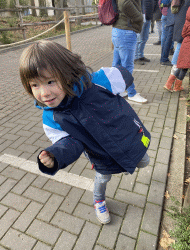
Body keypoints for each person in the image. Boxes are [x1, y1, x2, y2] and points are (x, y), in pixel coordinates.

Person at [19, 40, 151, 225]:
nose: (44, 93)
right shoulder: (52, 118)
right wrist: (56, 155)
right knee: (103, 177)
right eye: (35, 85)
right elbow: (67, 143)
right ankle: (99, 200)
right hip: (100, 154)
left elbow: (123, 76)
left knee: (144, 160)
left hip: (128, 138)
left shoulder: (96, 82)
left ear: (66, 74)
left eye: (50, 81)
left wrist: (121, 75)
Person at [111, 0, 148, 103]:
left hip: (118, 30)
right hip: (126, 32)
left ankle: (117, 91)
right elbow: (124, 3)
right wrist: (139, 17)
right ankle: (131, 93)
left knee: (117, 65)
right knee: (127, 66)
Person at [163, 0, 190, 91]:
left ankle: (171, 83)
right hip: (184, 24)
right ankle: (171, 83)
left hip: (180, 21)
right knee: (181, 58)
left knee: (180, 53)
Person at [134, 0, 154, 65]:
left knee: (144, 38)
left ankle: (140, 55)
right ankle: (135, 57)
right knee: (139, 39)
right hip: (142, 17)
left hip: (148, 17)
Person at [159, 0, 175, 66]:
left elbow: (160, 4)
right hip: (168, 15)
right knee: (167, 37)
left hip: (166, 14)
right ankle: (164, 57)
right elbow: (162, 4)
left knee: (165, 37)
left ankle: (164, 55)